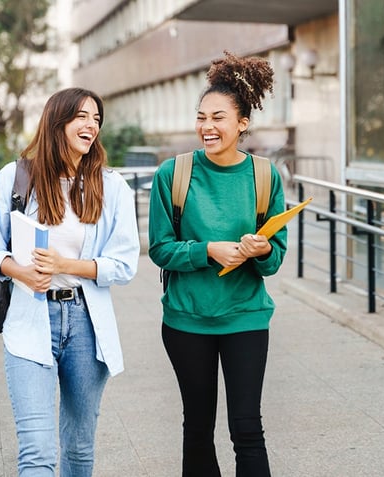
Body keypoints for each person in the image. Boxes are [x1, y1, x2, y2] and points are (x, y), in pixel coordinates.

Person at [0, 87, 140, 476]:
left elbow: (124, 264)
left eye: (97, 119)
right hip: (30, 320)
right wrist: (22, 271)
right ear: (57, 121)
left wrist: (68, 264)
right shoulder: (16, 177)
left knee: (79, 451)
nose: (91, 125)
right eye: (82, 116)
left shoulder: (111, 186)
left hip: (86, 323)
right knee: (37, 452)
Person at [148, 51, 286, 477]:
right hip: (187, 320)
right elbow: (159, 248)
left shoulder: (266, 176)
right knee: (198, 428)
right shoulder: (173, 174)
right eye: (201, 117)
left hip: (245, 318)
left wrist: (261, 251)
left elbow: (275, 256)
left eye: (219, 117)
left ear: (242, 123)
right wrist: (208, 250)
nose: (207, 127)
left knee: (247, 428)